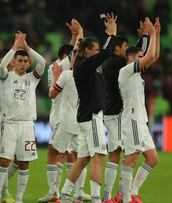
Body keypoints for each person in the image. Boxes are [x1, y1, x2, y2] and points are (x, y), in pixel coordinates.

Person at [58, 13, 118, 203]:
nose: (98, 52)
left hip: (88, 116)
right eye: (95, 50)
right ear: (86, 52)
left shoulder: (85, 65)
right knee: (99, 156)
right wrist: (112, 36)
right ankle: (95, 199)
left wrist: (81, 34)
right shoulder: (84, 66)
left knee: (83, 159)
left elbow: (91, 53)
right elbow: (105, 53)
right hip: (91, 117)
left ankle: (66, 195)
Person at [39, 19, 90, 203]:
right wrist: (78, 34)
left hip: (66, 117)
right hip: (67, 117)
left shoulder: (59, 68)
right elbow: (74, 52)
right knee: (69, 154)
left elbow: (73, 51)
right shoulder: (60, 68)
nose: (76, 57)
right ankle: (71, 192)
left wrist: (76, 35)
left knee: (66, 153)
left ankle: (62, 192)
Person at [0, 32, 46, 203]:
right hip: (10, 124)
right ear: (13, 62)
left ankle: (20, 199)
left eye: (25, 61)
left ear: (29, 63)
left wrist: (26, 47)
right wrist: (15, 46)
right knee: (4, 160)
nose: (22, 63)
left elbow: (42, 62)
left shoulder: (33, 79)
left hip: (28, 125)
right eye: (19, 60)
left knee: (24, 163)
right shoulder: (6, 77)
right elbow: (1, 67)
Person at [101, 23, 149, 203]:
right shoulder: (118, 63)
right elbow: (138, 57)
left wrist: (114, 35)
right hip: (115, 113)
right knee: (118, 153)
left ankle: (117, 195)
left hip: (112, 112)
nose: (127, 49)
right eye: (125, 46)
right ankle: (111, 197)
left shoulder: (108, 61)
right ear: (118, 49)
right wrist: (145, 38)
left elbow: (134, 55)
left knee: (120, 153)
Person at [118, 17, 160, 203]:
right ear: (131, 58)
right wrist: (151, 35)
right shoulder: (126, 71)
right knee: (131, 159)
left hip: (140, 120)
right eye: (139, 57)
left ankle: (133, 191)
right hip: (132, 119)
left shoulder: (134, 71)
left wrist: (155, 35)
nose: (143, 60)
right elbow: (150, 56)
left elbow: (154, 56)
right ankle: (125, 197)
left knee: (152, 158)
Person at [0, 48, 16, 203]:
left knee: (20, 161)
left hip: (21, 122)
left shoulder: (19, 74)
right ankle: (3, 194)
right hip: (4, 121)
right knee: (5, 159)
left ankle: (0, 187)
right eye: (11, 58)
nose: (13, 61)